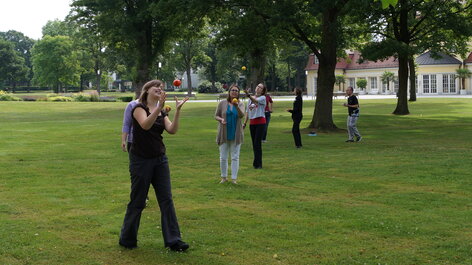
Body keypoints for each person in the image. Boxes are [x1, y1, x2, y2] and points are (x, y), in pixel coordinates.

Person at [119, 79, 190, 252]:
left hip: (160, 160)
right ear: (147, 90)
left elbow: (172, 130)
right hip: (140, 160)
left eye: (162, 88)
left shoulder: (161, 112)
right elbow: (145, 125)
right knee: (138, 200)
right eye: (156, 87)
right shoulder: (138, 108)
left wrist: (177, 111)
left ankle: (174, 240)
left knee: (166, 200)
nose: (160, 89)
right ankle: (127, 238)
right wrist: (159, 107)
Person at [214, 84, 245, 184]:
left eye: (236, 90)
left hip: (236, 133)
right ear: (229, 92)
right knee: (223, 157)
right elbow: (216, 116)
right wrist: (221, 119)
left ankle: (234, 178)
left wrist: (236, 107)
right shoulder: (223, 103)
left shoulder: (240, 104)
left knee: (235, 157)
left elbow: (241, 116)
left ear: (238, 93)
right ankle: (224, 177)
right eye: (233, 90)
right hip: (224, 133)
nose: (234, 92)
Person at [243, 83, 267, 169]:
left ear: (263, 91)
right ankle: (256, 163)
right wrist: (245, 123)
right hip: (252, 123)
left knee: (257, 143)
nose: (258, 88)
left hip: (260, 122)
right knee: (254, 143)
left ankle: (258, 164)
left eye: (261, 87)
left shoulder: (263, 98)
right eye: (257, 86)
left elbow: (255, 101)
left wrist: (248, 95)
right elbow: (247, 112)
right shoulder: (250, 99)